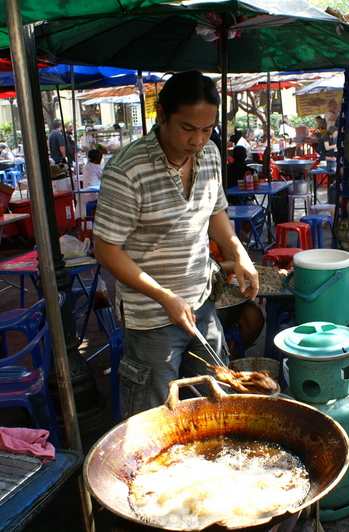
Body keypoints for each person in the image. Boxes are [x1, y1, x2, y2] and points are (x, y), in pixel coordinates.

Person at [93, 70, 258, 419]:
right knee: (156, 418)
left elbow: (215, 213)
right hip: (151, 317)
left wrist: (239, 253)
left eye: (207, 129)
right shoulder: (127, 170)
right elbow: (106, 249)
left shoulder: (211, 155)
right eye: (188, 128)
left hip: (201, 302)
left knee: (214, 404)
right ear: (162, 114)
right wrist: (164, 296)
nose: (197, 139)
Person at [209, 240, 264, 359]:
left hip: (220, 290)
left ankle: (231, 357)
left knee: (253, 317)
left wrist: (209, 267)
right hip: (188, 297)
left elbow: (234, 262)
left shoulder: (215, 230)